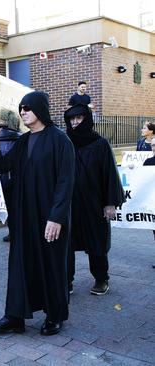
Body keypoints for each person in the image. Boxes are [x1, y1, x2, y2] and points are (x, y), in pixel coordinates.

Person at [0, 91, 75, 336]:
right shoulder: (23, 142)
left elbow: (66, 182)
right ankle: (15, 316)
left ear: (39, 109)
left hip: (50, 217)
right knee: (20, 264)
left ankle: (55, 315)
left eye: (27, 107)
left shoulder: (60, 140)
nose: (23, 112)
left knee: (52, 265)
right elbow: (4, 166)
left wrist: (56, 218)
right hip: (25, 216)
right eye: (21, 108)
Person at [64, 104, 125, 296]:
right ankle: (66, 281)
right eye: (72, 119)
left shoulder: (100, 144)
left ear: (87, 119)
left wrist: (110, 203)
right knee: (66, 243)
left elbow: (109, 174)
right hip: (69, 203)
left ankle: (101, 278)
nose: (75, 122)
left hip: (93, 202)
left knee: (96, 241)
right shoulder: (64, 142)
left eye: (79, 118)